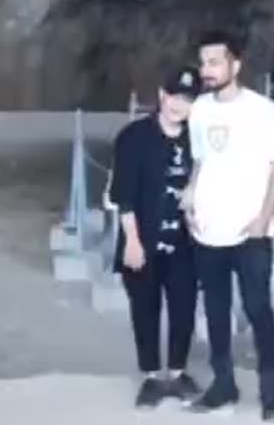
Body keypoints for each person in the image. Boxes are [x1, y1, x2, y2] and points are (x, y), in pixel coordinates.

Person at [182, 31, 274, 421]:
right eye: (203, 63)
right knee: (214, 309)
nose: (207, 70)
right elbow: (200, 161)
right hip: (208, 231)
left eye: (215, 62)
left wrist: (264, 217)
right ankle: (223, 383)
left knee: (258, 308)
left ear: (235, 65)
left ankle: (270, 390)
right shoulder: (199, 110)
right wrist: (191, 197)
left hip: (250, 231)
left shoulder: (263, 110)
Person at [110, 65, 203, 408]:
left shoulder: (198, 137)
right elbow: (123, 195)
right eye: (175, 96)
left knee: (183, 309)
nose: (180, 105)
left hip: (186, 243)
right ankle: (150, 375)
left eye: (188, 99)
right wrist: (132, 242)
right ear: (162, 96)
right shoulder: (134, 138)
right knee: (144, 309)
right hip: (143, 240)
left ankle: (178, 372)